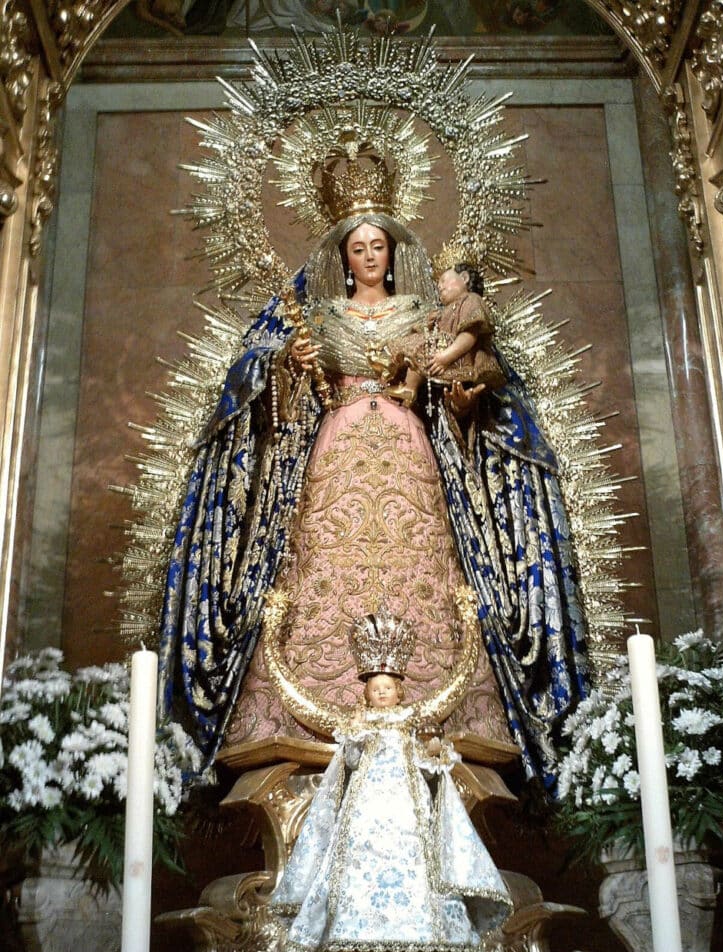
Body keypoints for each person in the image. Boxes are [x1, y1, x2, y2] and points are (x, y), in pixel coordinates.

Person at [159, 151, 590, 789]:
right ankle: (300, 725)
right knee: (322, 564)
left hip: (409, 450)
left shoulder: (425, 314)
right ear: (343, 255)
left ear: (393, 252)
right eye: (357, 246)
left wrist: (459, 396)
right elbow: (278, 408)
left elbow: (454, 386)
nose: (368, 255)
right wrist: (290, 367)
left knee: (421, 564)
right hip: (332, 454)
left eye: (378, 245)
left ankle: (448, 718)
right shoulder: (316, 315)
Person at [266, 596, 513, 952]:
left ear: (400, 690)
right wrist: (356, 743)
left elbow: (426, 757)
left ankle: (422, 928)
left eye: (388, 687)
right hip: (365, 810)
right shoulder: (357, 723)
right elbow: (347, 761)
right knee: (356, 856)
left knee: (417, 856)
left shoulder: (410, 720)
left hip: (405, 808)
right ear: (365, 692)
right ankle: (353, 927)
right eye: (375, 688)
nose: (381, 692)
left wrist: (433, 757)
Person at [385, 263, 505, 408]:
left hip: (458, 358)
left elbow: (469, 335)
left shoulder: (471, 299)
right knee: (416, 349)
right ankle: (406, 387)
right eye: (438, 285)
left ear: (464, 278)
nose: (439, 287)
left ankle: (409, 388)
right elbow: (425, 331)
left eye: (444, 281)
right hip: (439, 353)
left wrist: (446, 358)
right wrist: (427, 324)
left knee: (421, 348)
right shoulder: (443, 311)